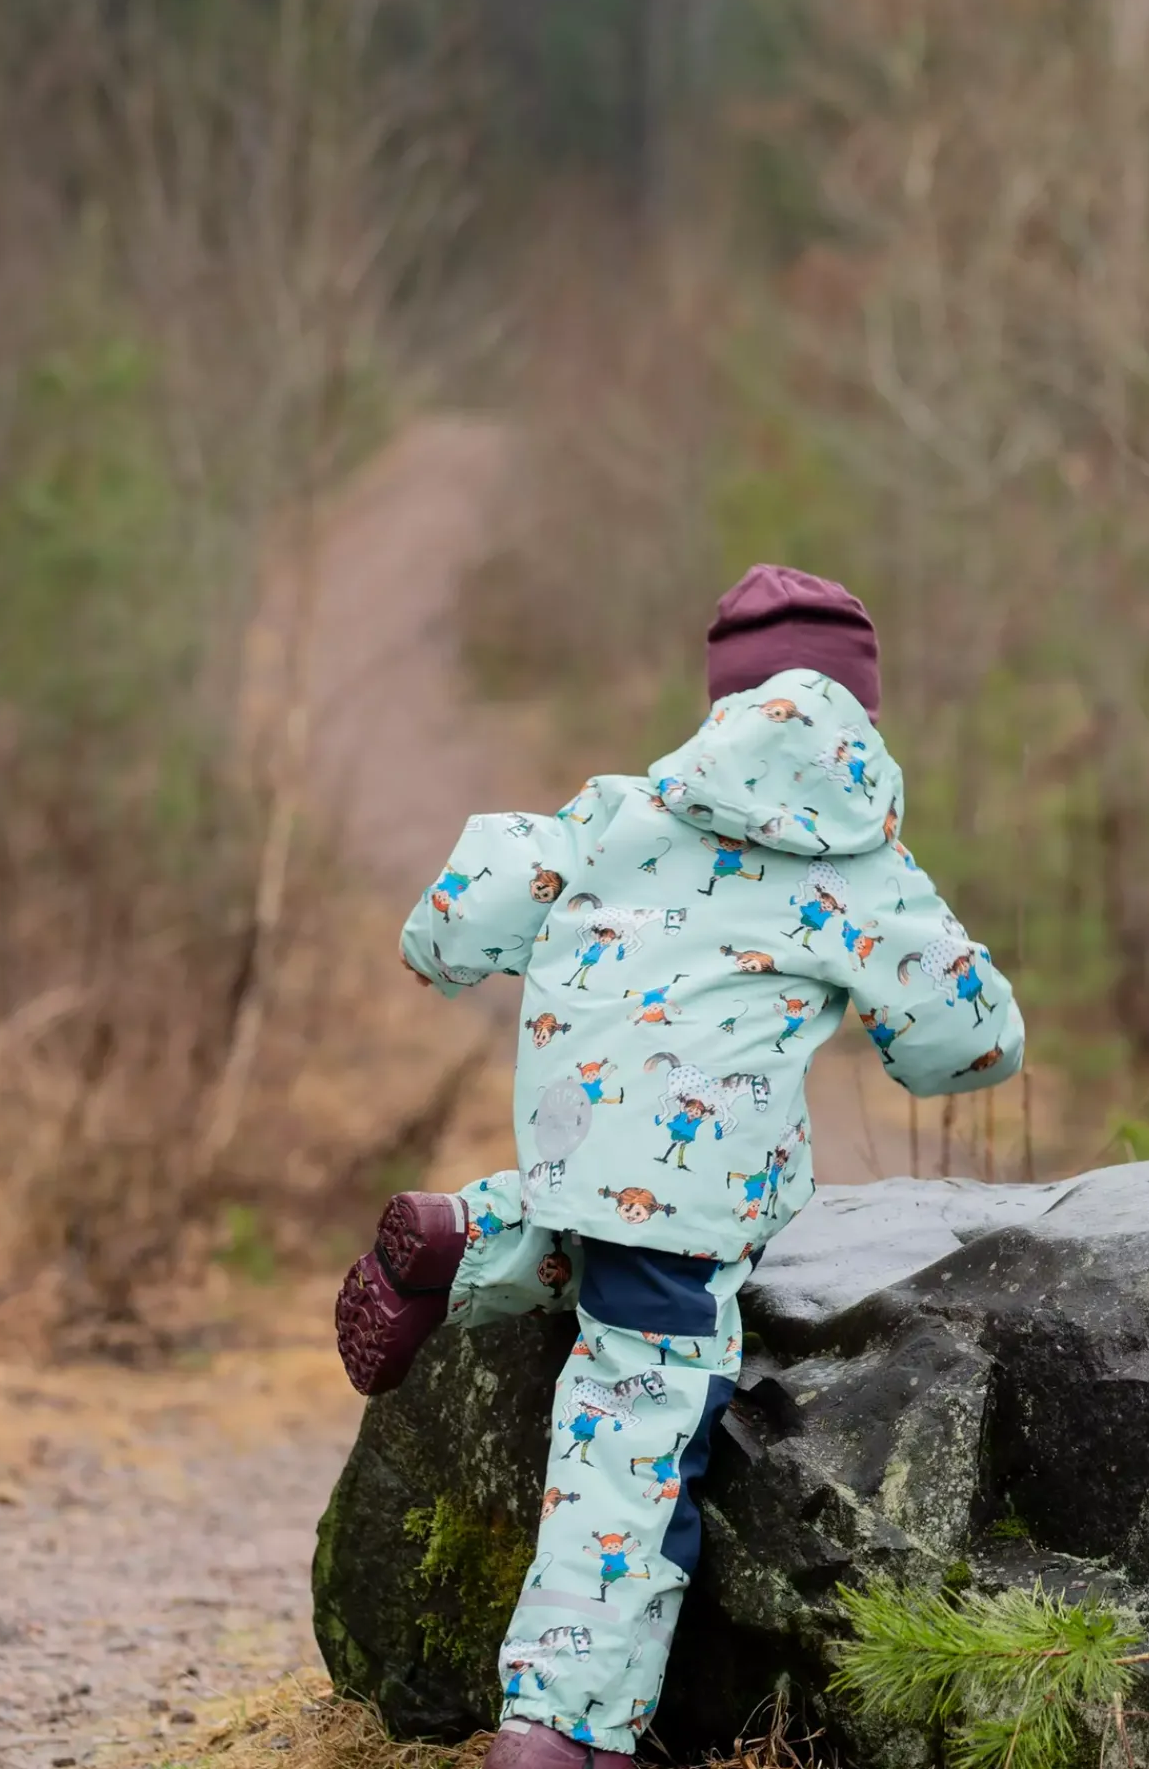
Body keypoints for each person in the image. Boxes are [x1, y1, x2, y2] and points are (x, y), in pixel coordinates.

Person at [334, 566, 1024, 1767]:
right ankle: (565, 1724)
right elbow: (971, 1038)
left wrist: (440, 945)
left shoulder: (623, 807)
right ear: (864, 709)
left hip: (574, 1150)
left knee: (596, 1229)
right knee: (631, 1431)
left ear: (720, 704)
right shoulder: (854, 860)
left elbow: (465, 908)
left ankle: (475, 1235)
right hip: (689, 1195)